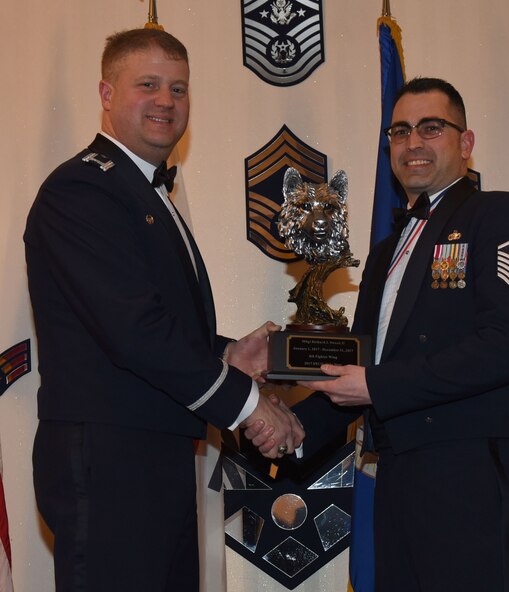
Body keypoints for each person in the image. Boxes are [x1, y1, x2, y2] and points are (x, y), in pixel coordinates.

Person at [24, 28, 303, 591]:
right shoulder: (81, 191)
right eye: (146, 85)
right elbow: (135, 331)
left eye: (178, 89)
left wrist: (227, 353)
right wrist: (249, 405)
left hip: (154, 457)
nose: (166, 101)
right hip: (109, 463)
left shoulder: (145, 192)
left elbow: (148, 322)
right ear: (106, 94)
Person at [247, 77, 509, 591]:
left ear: (466, 143)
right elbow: (357, 374)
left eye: (431, 128)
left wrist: (377, 387)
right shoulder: (387, 250)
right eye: (400, 131)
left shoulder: (500, 214)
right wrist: (290, 431)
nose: (413, 142)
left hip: (469, 481)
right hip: (393, 485)